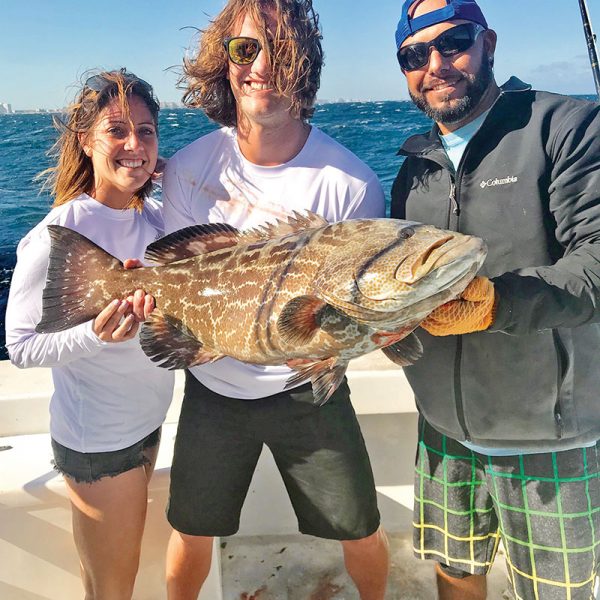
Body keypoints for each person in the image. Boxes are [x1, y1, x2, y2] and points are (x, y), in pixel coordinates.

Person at [161, 1, 389, 598]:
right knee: (190, 530)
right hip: (214, 392)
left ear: (304, 65)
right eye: (243, 50)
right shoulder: (187, 169)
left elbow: (359, 301)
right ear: (224, 65)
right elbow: (175, 277)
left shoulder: (351, 182)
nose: (260, 65)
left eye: (279, 50)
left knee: (360, 527)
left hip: (310, 392)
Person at [391, 0, 600, 599]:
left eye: (453, 42)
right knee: (454, 576)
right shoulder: (414, 163)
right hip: (444, 429)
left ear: (489, 43)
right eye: (414, 54)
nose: (436, 63)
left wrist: (497, 303)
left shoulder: (566, 125)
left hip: (551, 436)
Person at [5, 69, 175, 600]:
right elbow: (21, 347)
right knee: (114, 591)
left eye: (146, 131)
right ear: (85, 140)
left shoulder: (155, 221)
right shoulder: (61, 232)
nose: (134, 145)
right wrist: (95, 336)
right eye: (117, 131)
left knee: (103, 584)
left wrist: (172, 175)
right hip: (100, 443)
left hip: (146, 425)